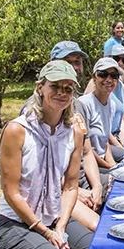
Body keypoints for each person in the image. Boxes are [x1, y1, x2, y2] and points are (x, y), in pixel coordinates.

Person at [0, 61, 92, 249]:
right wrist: (46, 232)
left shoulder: (74, 132)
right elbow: (11, 192)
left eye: (68, 89)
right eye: (55, 86)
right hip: (14, 227)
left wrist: (60, 227)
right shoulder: (17, 130)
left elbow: (71, 185)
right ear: (40, 88)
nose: (61, 93)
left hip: (53, 219)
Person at [49, 41, 107, 229]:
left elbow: (87, 152)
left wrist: (97, 185)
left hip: (82, 180)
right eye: (68, 61)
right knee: (99, 231)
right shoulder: (41, 109)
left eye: (78, 62)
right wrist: (77, 191)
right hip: (58, 191)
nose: (75, 67)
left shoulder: (78, 106)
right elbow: (42, 171)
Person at [78, 58, 124, 168]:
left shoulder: (111, 104)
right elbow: (86, 149)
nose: (109, 79)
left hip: (102, 159)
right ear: (94, 78)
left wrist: (112, 165)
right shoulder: (83, 104)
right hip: (88, 164)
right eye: (103, 74)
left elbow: (105, 143)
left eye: (114, 76)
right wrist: (110, 168)